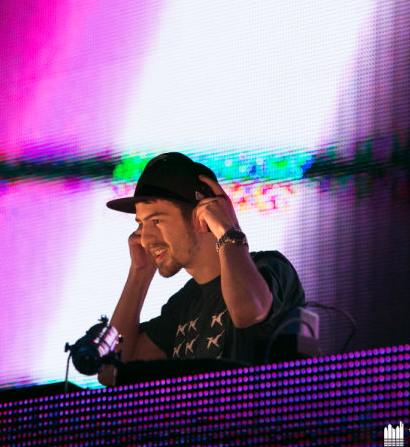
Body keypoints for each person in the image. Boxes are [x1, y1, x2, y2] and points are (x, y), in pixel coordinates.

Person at [98, 152, 305, 386]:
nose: (144, 239)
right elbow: (111, 373)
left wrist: (228, 231)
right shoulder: (183, 304)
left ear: (203, 215)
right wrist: (139, 273)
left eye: (156, 221)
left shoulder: (269, 267)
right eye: (141, 224)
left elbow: (245, 311)